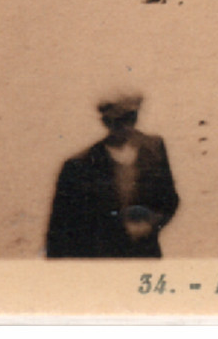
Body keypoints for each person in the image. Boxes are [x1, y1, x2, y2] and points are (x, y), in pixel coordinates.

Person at [46, 90, 179, 259]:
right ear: (105, 121)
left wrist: (151, 223)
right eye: (117, 121)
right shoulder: (79, 165)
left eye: (130, 117)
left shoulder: (154, 150)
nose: (125, 126)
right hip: (100, 258)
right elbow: (60, 230)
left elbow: (170, 199)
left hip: (145, 255)